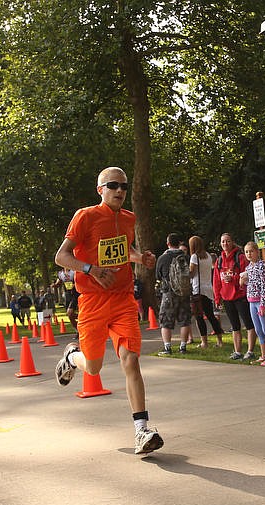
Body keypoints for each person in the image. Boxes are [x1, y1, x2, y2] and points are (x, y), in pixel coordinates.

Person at [53, 165, 163, 454]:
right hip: (92, 301)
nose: (119, 191)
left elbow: (123, 249)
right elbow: (61, 256)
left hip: (123, 299)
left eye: (124, 186)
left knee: (131, 360)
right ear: (100, 189)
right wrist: (91, 269)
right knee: (93, 367)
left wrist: (141, 258)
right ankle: (71, 356)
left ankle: (142, 430)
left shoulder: (128, 218)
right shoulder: (85, 216)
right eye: (113, 185)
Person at [212, 233, 257, 360]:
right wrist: (217, 298)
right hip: (226, 297)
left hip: (240, 295)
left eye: (227, 241)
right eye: (223, 242)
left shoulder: (240, 257)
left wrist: (233, 278)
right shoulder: (219, 260)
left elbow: (247, 275)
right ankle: (237, 351)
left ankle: (250, 351)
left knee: (249, 324)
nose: (225, 244)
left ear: (232, 242)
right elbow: (216, 280)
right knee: (234, 326)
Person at [156, 232, 192, 355]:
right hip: (185, 292)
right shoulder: (186, 257)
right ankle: (183, 347)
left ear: (168, 244)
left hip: (168, 293)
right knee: (185, 320)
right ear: (179, 243)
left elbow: (158, 275)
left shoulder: (162, 258)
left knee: (165, 320)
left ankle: (167, 347)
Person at [242, 241, 265, 366]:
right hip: (251, 300)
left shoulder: (262, 265)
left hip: (260, 301)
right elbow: (251, 283)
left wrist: (263, 303)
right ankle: (263, 354)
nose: (249, 254)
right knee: (258, 329)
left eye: (251, 251)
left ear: (257, 251)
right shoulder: (249, 267)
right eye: (246, 252)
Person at [188, 235, 223, 348]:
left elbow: (192, 273)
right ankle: (219, 340)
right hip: (208, 288)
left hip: (197, 289)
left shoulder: (194, 257)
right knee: (211, 315)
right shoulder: (208, 256)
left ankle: (204, 342)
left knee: (199, 317)